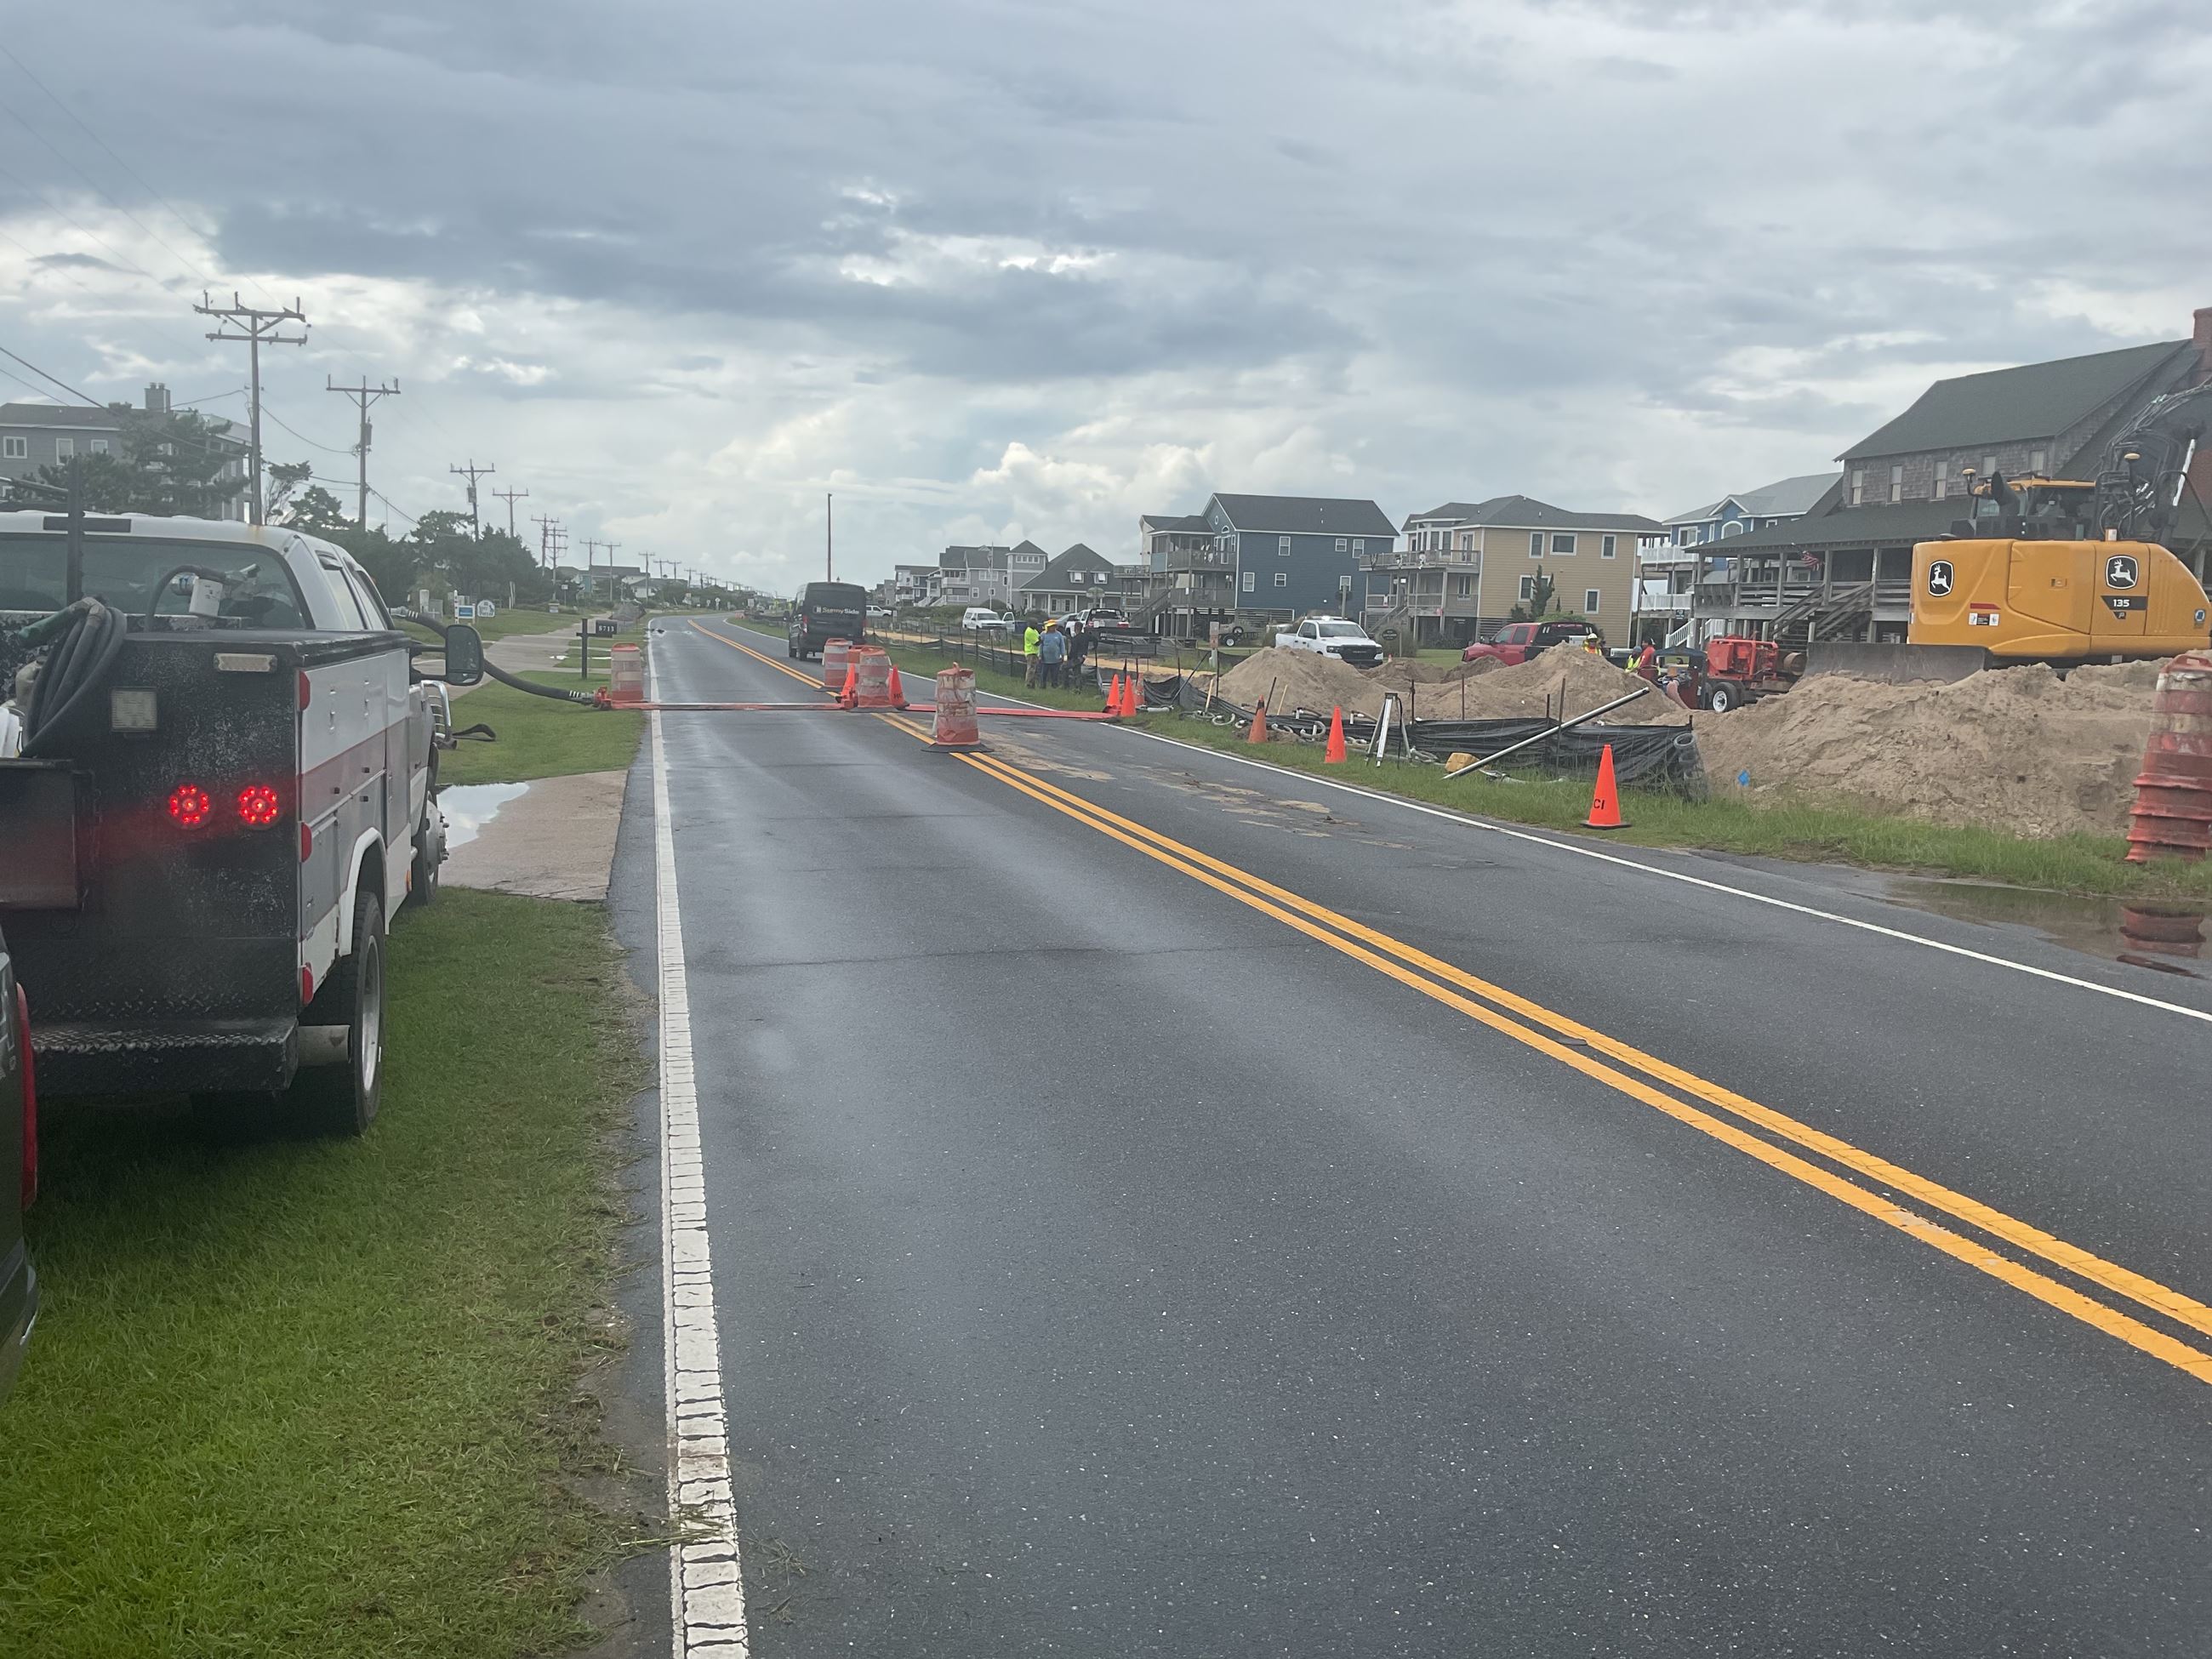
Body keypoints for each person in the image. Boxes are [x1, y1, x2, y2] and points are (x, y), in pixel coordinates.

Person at [1039, 619, 1068, 687]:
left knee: (1055, 674)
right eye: (1051, 626)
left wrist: (1063, 655)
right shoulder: (1043, 634)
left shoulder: (1059, 635)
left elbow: (1062, 645)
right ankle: (1042, 685)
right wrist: (1040, 655)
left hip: (1056, 658)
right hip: (1045, 659)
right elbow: (1040, 645)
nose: (1053, 628)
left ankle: (1054, 685)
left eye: (1054, 626)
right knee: (1044, 673)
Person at [1023, 619, 1041, 687]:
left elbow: (1039, 637)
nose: (1036, 625)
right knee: (1031, 669)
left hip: (1035, 652)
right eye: (1035, 624)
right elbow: (1037, 643)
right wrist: (1041, 640)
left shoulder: (1035, 631)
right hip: (1031, 652)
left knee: (1034, 670)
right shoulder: (1029, 631)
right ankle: (1028, 684)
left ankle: (1032, 683)